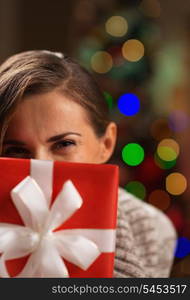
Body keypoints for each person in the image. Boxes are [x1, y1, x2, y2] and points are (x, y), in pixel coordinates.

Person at [0, 50, 176, 277]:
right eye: (15, 150)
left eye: (64, 144)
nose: (41, 164)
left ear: (106, 143)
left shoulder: (151, 230)